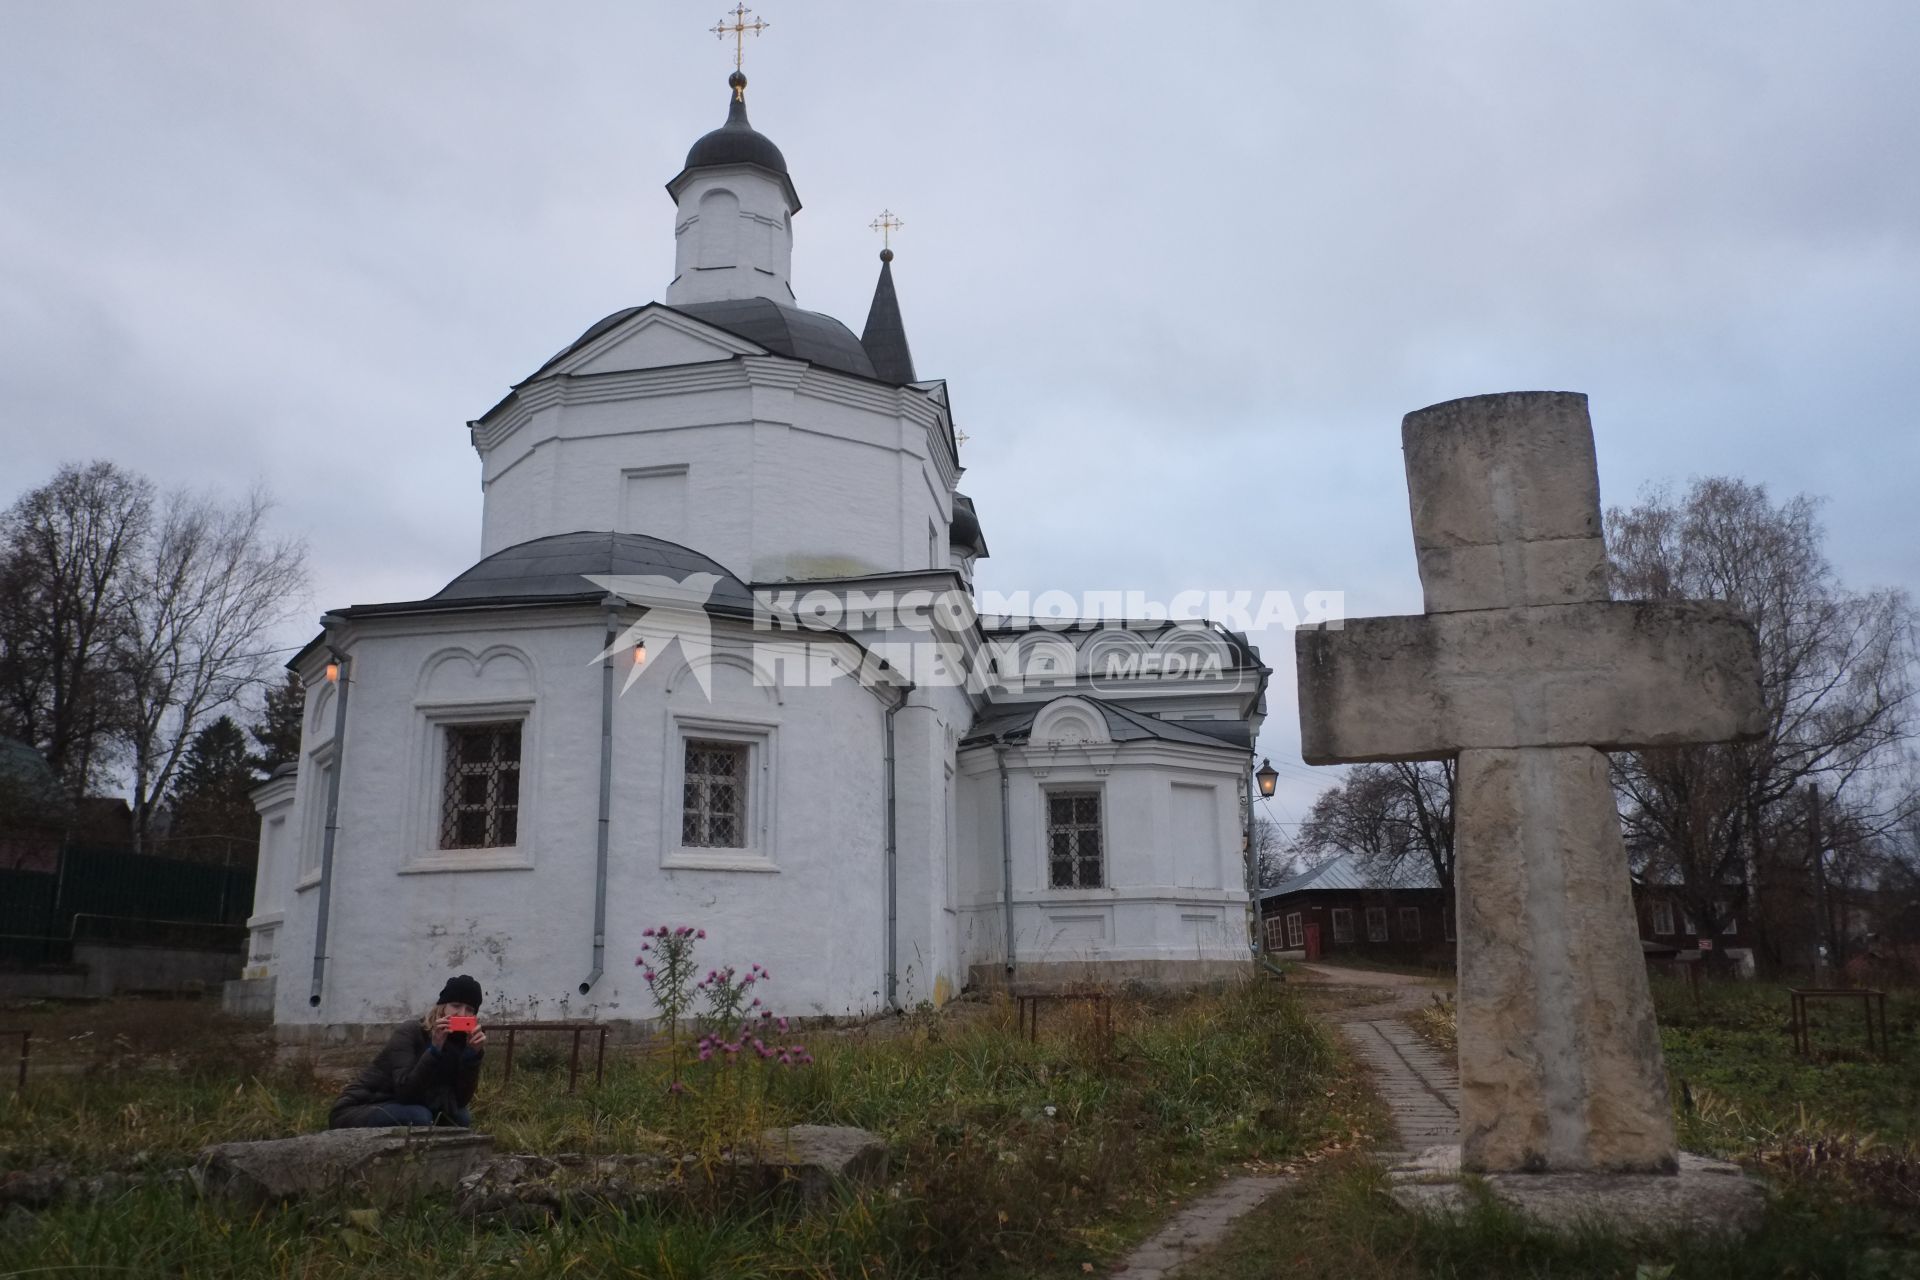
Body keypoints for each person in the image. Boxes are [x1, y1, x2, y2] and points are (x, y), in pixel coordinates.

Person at [329, 974, 488, 1129]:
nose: (462, 1014)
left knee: (461, 1117)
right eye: (456, 1005)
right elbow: (406, 1093)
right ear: (442, 1006)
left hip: (410, 1104)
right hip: (361, 1106)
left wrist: (471, 1057)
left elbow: (459, 1101)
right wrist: (434, 1050)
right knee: (419, 1116)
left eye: (470, 1009)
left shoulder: (461, 1042)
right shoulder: (411, 1031)